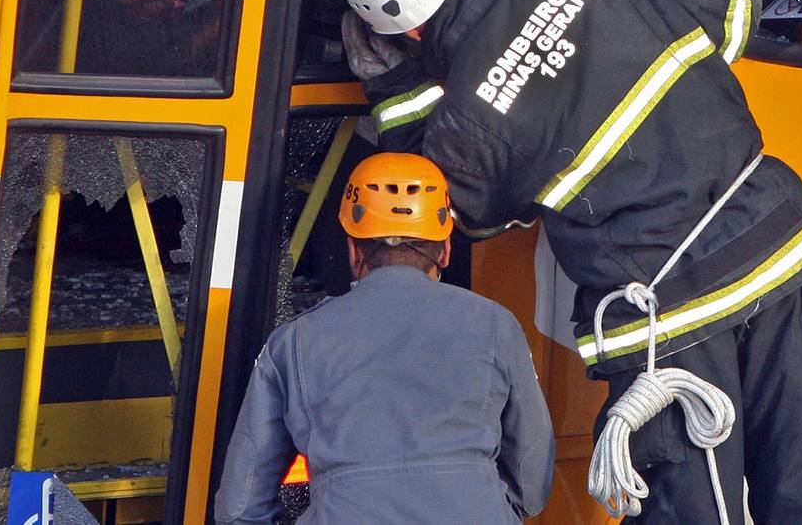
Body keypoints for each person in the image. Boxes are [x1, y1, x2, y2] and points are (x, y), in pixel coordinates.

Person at [340, 0, 802, 524]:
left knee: (695, 510)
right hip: (769, 253)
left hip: (666, 318)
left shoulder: (468, 122)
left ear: (410, 33)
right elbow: (737, 2)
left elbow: (452, 211)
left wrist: (398, 94)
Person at [214, 152, 554, 524]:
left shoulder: (292, 342)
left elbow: (240, 505)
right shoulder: (496, 324)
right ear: (444, 249)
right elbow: (531, 468)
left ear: (354, 250)